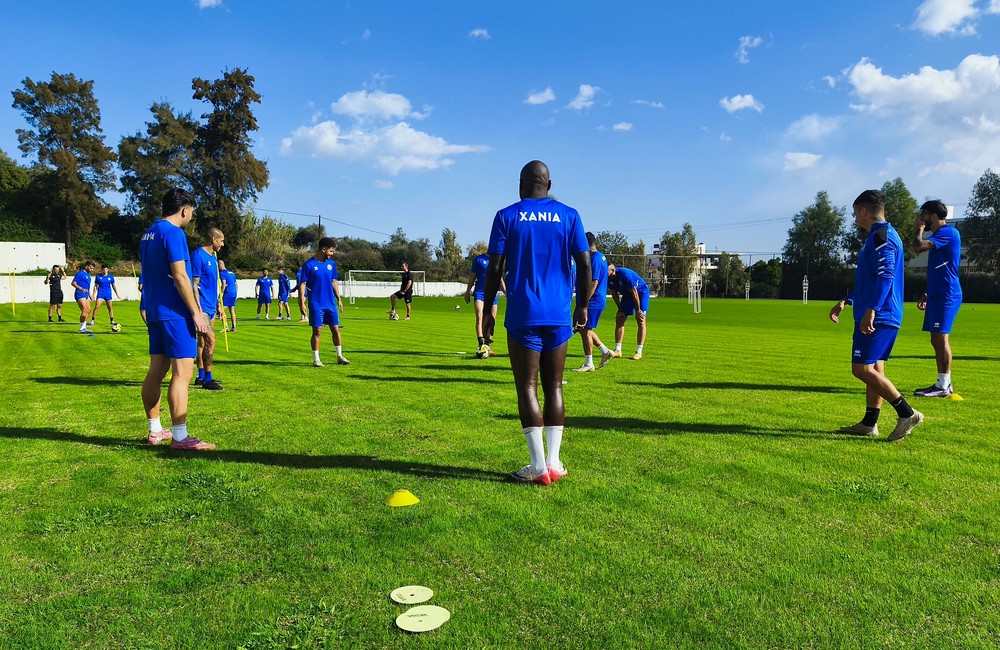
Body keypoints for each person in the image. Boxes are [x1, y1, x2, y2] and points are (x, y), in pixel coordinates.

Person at [482, 160, 591, 486]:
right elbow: (584, 263)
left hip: (523, 313)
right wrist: (582, 305)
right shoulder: (569, 215)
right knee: (554, 386)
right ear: (549, 183)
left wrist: (488, 308)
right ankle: (555, 462)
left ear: (520, 184)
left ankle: (537, 465)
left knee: (526, 387)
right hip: (558, 312)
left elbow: (494, 268)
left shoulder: (506, 215)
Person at [829, 189, 923, 442]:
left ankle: (907, 413)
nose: (855, 218)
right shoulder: (880, 236)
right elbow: (872, 280)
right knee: (875, 367)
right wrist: (847, 301)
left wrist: (871, 310)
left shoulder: (881, 236)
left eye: (854, 213)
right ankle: (870, 423)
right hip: (882, 312)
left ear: (863, 210)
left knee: (860, 369)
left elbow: (885, 276)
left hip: (880, 314)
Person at [139, 188, 214, 451]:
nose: (191, 217)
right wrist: (196, 313)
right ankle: (181, 438)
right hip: (174, 314)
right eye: (192, 212)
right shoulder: (174, 233)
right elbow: (181, 276)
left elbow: (150, 275)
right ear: (185, 209)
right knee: (183, 374)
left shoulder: (148, 234)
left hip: (156, 313)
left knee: (155, 372)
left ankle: (155, 431)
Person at [912, 199, 962, 398]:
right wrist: (927, 293)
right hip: (937, 294)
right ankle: (943, 384)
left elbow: (917, 247)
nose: (919, 217)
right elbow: (938, 269)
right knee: (936, 339)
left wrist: (918, 229)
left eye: (922, 214)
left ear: (933, 216)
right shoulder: (940, 235)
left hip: (947, 294)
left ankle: (943, 386)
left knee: (941, 339)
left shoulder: (948, 233)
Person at [301, 237, 349, 367]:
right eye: (331, 250)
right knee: (317, 331)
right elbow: (303, 284)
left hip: (330, 303)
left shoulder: (331, 264)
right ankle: (316, 359)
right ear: (324, 249)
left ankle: (339, 356)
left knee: (335, 329)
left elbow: (334, 282)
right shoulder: (309, 265)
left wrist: (339, 299)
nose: (332, 253)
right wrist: (302, 303)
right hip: (316, 304)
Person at [574, 233, 615, 371]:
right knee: (585, 329)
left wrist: (585, 301)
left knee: (584, 330)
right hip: (594, 300)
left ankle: (589, 363)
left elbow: (594, 282)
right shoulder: (599, 257)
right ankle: (605, 351)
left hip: (594, 300)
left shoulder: (595, 259)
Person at [191, 228, 225, 391]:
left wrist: (219, 304)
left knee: (204, 342)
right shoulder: (198, 255)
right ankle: (208, 379)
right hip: (202, 307)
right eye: (221, 241)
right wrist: (197, 309)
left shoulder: (214, 257)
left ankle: (201, 375)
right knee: (211, 340)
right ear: (213, 240)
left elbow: (215, 282)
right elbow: (194, 284)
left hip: (211, 306)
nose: (223, 244)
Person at [464, 252, 505, 358]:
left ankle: (487, 347)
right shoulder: (478, 259)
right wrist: (468, 292)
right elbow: (472, 277)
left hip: (492, 294)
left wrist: (506, 292)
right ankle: (481, 344)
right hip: (480, 293)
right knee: (480, 317)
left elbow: (499, 278)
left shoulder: (497, 259)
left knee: (491, 320)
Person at [607, 263, 649, 360]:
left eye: (606, 272)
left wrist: (638, 310)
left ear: (612, 270)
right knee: (619, 319)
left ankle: (639, 351)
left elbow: (634, 292)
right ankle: (618, 350)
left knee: (641, 319)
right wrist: (620, 309)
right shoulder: (608, 278)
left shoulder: (625, 274)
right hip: (627, 295)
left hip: (640, 293)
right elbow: (614, 293)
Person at [71, 261, 95, 334]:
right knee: (84, 309)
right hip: (80, 293)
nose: (92, 270)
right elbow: (73, 283)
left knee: (89, 310)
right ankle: (81, 328)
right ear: (86, 266)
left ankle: (84, 327)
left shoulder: (88, 275)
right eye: (91, 268)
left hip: (86, 294)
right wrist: (81, 289)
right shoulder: (80, 274)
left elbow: (87, 287)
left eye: (92, 268)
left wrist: (90, 294)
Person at [219, 261, 238, 332]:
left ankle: (226, 327)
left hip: (228, 293)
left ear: (220, 266)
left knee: (221, 310)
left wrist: (220, 294)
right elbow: (236, 285)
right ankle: (234, 327)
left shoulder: (222, 273)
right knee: (232, 311)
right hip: (233, 293)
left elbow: (223, 284)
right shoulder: (232, 273)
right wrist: (236, 294)